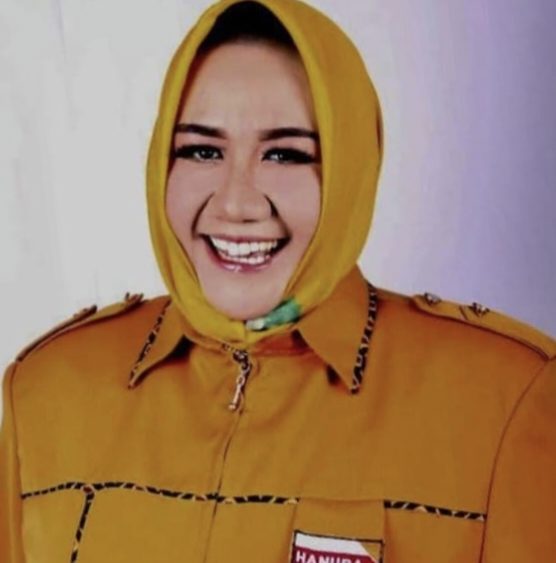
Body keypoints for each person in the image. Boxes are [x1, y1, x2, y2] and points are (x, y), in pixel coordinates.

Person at [1, 0, 555, 562]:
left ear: (352, 168)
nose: (236, 203)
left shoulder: (504, 399)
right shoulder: (46, 390)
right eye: (201, 150)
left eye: (285, 155)